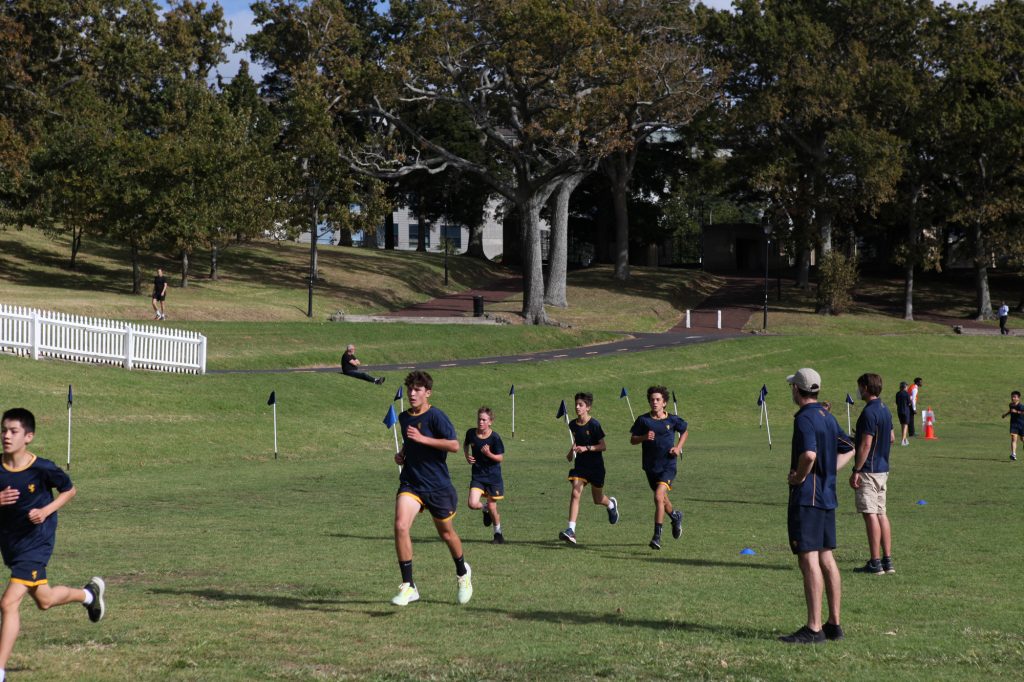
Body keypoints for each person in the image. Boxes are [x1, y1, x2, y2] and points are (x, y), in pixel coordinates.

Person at [0, 408, 105, 681]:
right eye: (4, 430)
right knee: (44, 601)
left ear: (29, 437)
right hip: (11, 545)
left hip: (37, 543)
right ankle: (89, 595)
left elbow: (70, 490)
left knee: (8, 603)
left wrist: (46, 511)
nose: (6, 436)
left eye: (13, 431)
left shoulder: (41, 468)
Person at [780, 368, 855, 644]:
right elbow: (849, 448)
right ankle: (833, 624)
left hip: (807, 499)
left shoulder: (804, 419)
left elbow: (809, 454)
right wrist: (830, 471)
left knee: (808, 558)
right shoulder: (827, 415)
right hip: (826, 496)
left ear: (797, 390)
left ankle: (814, 628)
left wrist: (799, 476)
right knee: (826, 557)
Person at [391, 371, 471, 606]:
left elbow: (454, 445)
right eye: (410, 389)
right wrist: (402, 454)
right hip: (412, 482)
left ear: (428, 393)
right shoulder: (404, 417)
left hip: (437, 486)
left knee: (446, 533)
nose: (412, 394)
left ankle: (463, 573)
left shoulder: (436, 416)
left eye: (417, 390)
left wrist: (423, 439)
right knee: (400, 525)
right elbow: (409, 441)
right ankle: (409, 586)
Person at [849, 373, 897, 576]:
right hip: (883, 469)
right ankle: (888, 560)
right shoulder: (885, 410)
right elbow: (892, 437)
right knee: (881, 513)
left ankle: (875, 562)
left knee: (870, 515)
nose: (859, 390)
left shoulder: (869, 412)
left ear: (866, 388)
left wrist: (856, 469)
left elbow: (867, 444)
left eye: (860, 387)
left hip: (868, 470)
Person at [629, 386, 688, 550]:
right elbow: (632, 440)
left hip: (668, 465)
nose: (654, 402)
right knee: (663, 500)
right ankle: (675, 517)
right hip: (650, 467)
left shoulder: (672, 420)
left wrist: (678, 447)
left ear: (664, 403)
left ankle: (657, 536)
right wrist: (643, 437)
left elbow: (685, 431)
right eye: (652, 399)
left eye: (658, 400)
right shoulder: (643, 420)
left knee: (658, 496)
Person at [558, 392, 618, 545]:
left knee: (598, 499)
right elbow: (576, 441)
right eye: (576, 404)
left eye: (581, 405)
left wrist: (587, 448)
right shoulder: (572, 424)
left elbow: (603, 446)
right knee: (575, 492)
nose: (577, 407)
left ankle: (611, 505)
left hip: (596, 467)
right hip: (581, 467)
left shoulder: (594, 424)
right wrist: (571, 452)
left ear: (588, 408)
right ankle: (571, 530)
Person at [463, 407, 507, 544]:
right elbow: (465, 445)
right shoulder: (471, 433)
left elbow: (500, 458)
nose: (480, 422)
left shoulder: (495, 438)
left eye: (484, 420)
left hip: (493, 478)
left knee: (494, 507)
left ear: (490, 422)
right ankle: (484, 508)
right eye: (479, 419)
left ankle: (498, 534)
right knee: (472, 503)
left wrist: (489, 454)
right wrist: (467, 456)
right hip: (478, 476)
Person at [1001, 390, 1023, 461]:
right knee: (1014, 438)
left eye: (1014, 397)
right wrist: (1005, 415)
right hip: (1013, 424)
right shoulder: (1011, 404)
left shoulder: (1021, 406)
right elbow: (1010, 410)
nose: (1013, 398)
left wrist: (1016, 412)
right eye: (1012, 397)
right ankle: (1013, 454)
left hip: (1022, 425)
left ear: (1018, 398)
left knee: (1022, 439)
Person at [895, 382, 911, 446]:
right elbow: (909, 403)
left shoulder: (897, 393)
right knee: (905, 425)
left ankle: (904, 438)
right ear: (905, 387)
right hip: (906, 410)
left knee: (902, 424)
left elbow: (896, 402)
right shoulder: (906, 394)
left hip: (899, 411)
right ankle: (903, 439)